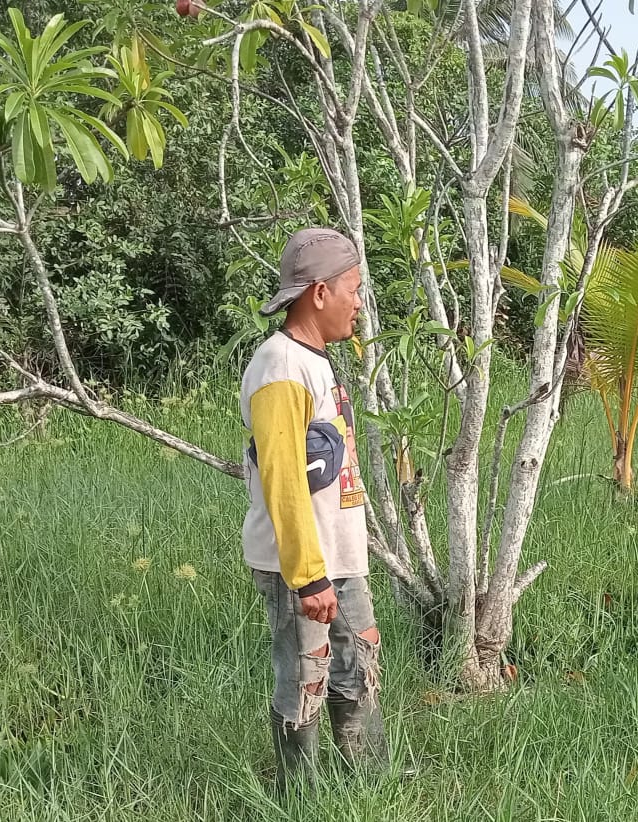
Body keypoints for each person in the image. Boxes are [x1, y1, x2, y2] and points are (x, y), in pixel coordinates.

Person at [240, 227, 388, 790]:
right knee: (305, 678)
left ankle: (372, 786)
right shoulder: (280, 367)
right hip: (303, 568)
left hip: (338, 560)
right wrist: (308, 578)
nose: (359, 302)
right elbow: (282, 483)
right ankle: (296, 794)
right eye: (353, 289)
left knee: (359, 669)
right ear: (319, 293)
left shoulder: (317, 361)